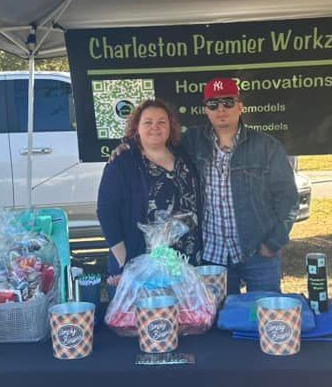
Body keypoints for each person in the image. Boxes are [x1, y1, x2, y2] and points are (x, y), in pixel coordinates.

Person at [181, 77, 299, 294]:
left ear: (240, 106)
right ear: (206, 110)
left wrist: (274, 242)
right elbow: (155, 147)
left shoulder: (267, 146)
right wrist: (125, 147)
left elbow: (288, 198)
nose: (221, 109)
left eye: (228, 102)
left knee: (264, 315)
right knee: (218, 322)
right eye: (213, 104)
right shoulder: (190, 142)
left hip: (258, 251)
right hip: (211, 254)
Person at [97, 99, 202, 283]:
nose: (155, 127)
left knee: (186, 312)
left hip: (187, 261)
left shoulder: (183, 155)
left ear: (171, 127)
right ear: (136, 127)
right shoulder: (123, 162)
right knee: (150, 312)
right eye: (148, 122)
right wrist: (124, 261)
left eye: (162, 122)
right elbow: (106, 211)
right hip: (143, 265)